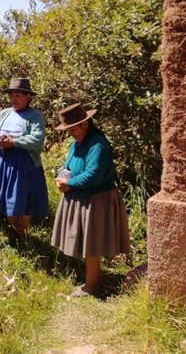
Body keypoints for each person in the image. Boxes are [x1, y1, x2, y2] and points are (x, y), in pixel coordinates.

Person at [51, 103, 130, 297]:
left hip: (97, 200)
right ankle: (91, 279)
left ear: (85, 123)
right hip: (80, 196)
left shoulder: (98, 144)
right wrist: (61, 178)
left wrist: (70, 184)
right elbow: (69, 165)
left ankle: (93, 285)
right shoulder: (76, 144)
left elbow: (93, 175)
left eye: (74, 128)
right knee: (87, 241)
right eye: (68, 130)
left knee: (92, 243)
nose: (71, 133)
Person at [0, 78, 49, 240]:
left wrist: (14, 142)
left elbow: (37, 139)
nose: (14, 99)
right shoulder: (4, 114)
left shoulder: (35, 116)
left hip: (23, 163)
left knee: (23, 199)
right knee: (5, 196)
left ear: (28, 97)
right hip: (1, 161)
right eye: (12, 96)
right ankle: (13, 229)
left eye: (18, 95)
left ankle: (22, 234)